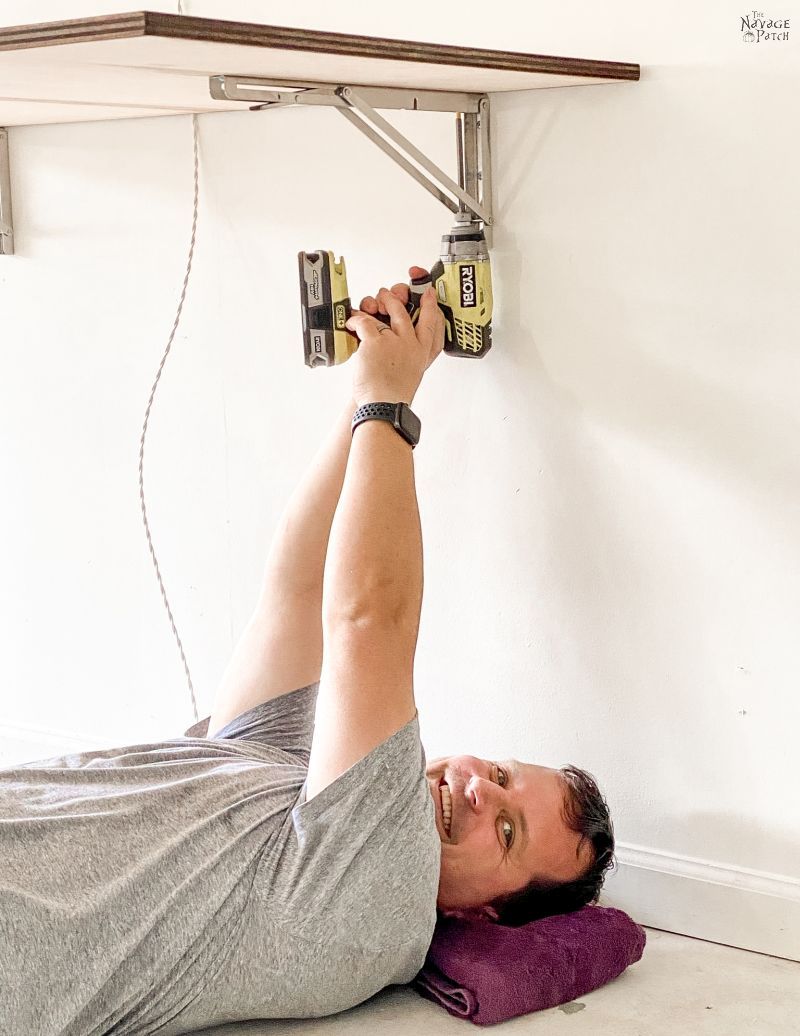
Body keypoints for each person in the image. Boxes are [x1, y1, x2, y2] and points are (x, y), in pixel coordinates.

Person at [0, 268, 614, 1035]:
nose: (481, 792)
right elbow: (295, 590)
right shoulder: (301, 786)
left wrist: (393, 407)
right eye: (499, 773)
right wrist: (368, 391)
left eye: (509, 830)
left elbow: (368, 620)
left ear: (489, 912)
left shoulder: (380, 903)